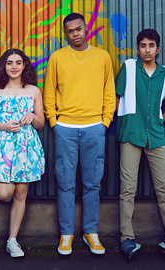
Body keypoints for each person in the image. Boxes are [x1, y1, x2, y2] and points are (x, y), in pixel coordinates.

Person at [43, 13, 116, 255]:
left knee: (92, 184)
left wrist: (104, 122)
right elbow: (49, 94)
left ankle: (91, 233)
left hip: (95, 128)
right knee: (65, 185)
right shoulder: (57, 57)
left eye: (79, 29)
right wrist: (55, 122)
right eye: (70, 31)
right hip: (65, 130)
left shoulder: (102, 56)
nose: (75, 33)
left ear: (87, 29)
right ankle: (66, 235)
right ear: (66, 33)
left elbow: (109, 92)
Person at [116, 29, 165, 261]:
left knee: (164, 189)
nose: (147, 49)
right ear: (138, 48)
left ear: (158, 48)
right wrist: (120, 118)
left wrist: (160, 119)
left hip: (156, 137)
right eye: (143, 45)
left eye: (151, 45)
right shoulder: (128, 67)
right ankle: (127, 238)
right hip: (131, 135)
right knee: (128, 189)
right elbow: (115, 96)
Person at [0, 49, 45, 258]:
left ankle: (12, 240)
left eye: (18, 62)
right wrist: (5, 126)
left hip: (26, 146)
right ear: (4, 66)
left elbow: (41, 123)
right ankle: (11, 231)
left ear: (24, 65)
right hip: (1, 146)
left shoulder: (34, 91)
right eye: (10, 63)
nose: (14, 66)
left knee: (20, 193)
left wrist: (32, 115)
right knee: (4, 193)